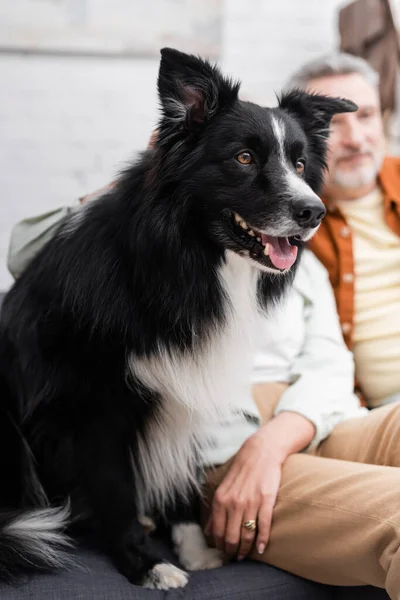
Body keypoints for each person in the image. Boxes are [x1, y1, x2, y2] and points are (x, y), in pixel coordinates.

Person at [286, 52, 400, 408]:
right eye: (332, 123)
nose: (355, 138)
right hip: (379, 413)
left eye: (365, 115)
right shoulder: (285, 218)